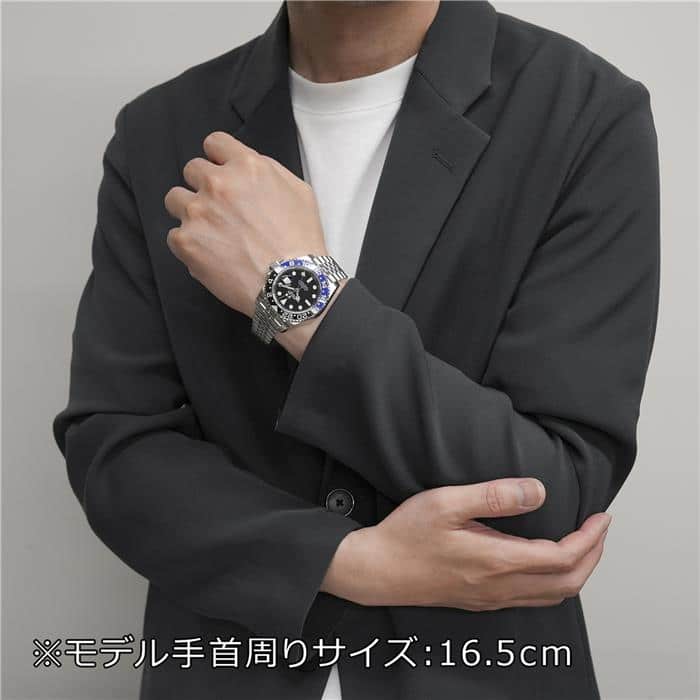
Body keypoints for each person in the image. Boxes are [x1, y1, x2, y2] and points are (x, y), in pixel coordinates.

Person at [53, 1, 659, 698]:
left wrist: (300, 297)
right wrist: (347, 562)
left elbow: (553, 491)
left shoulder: (580, 112)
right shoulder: (161, 129)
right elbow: (116, 449)